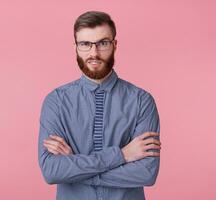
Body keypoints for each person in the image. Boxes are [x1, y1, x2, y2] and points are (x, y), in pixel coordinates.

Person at [38, 10, 161, 200]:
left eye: (103, 43)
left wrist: (74, 166)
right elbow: (51, 171)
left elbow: (146, 173)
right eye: (85, 44)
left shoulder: (141, 101)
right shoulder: (56, 102)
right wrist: (121, 155)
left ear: (115, 45)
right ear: (75, 47)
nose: (94, 53)